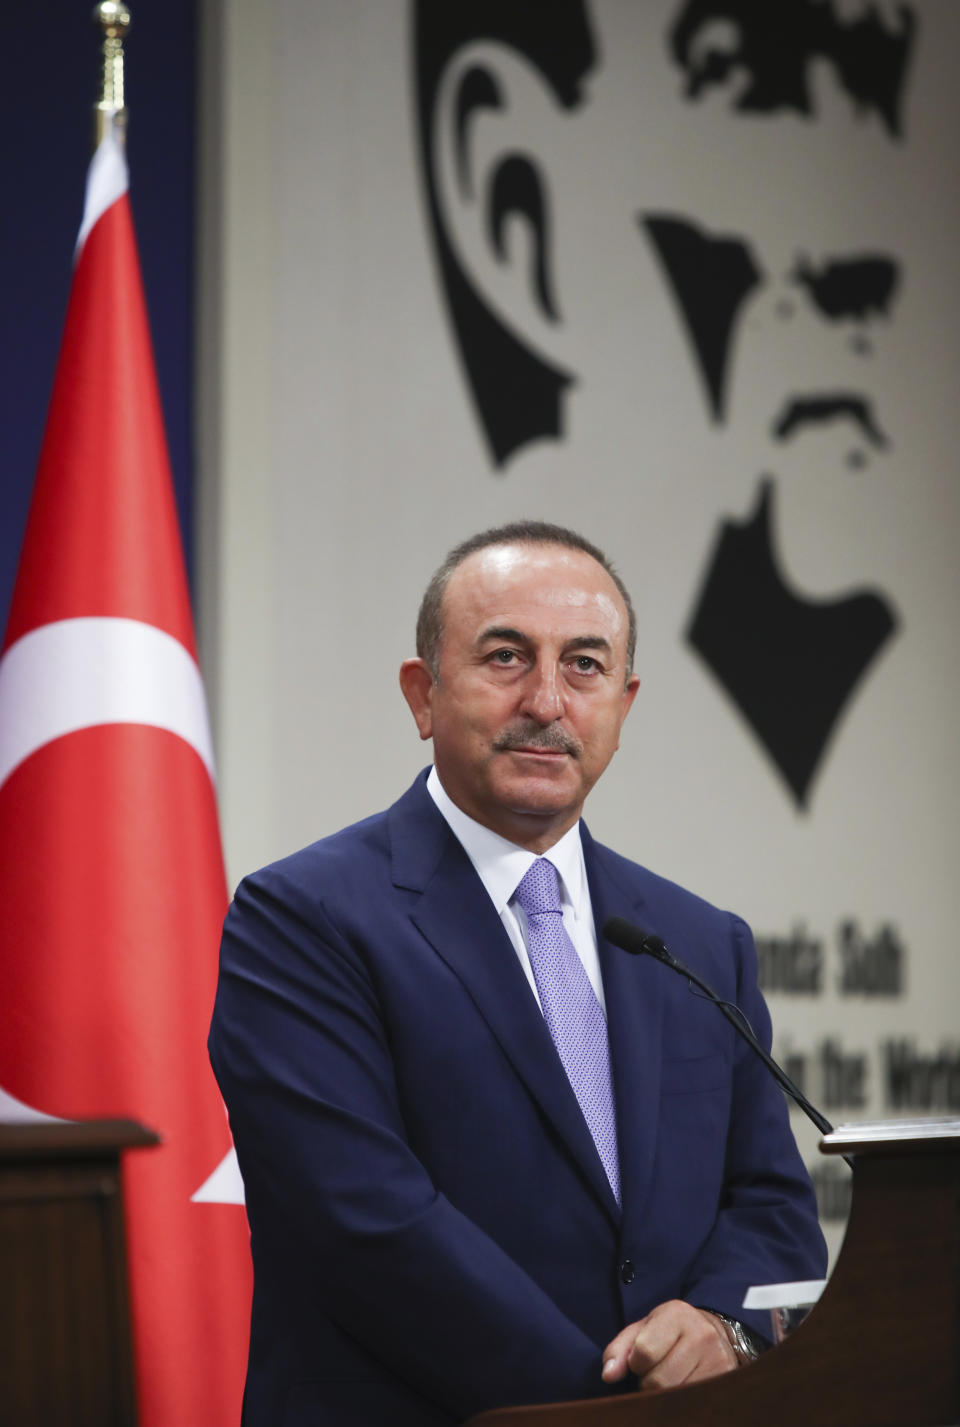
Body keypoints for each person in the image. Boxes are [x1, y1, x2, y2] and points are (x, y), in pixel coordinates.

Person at [209, 520, 826, 1426]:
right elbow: (368, 1228)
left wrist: (722, 1329)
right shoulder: (302, 919)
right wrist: (616, 1407)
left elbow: (769, 1199)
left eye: (584, 664)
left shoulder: (699, 939)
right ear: (422, 695)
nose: (547, 698)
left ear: (624, 701)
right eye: (506, 656)